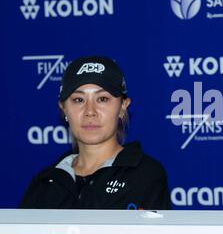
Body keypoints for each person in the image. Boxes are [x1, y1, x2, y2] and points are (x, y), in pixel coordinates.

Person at [20, 56, 170, 210]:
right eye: (78, 100)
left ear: (123, 106)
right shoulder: (46, 181)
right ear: (63, 108)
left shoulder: (146, 176)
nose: (90, 111)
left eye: (102, 99)